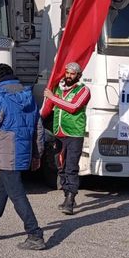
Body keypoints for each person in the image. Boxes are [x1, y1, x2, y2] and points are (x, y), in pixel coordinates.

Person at [0, 63, 46, 250]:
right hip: (22, 151)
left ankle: (35, 234)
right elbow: (38, 128)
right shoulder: (28, 96)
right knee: (2, 192)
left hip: (6, 153)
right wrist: (37, 154)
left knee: (17, 194)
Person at [41, 62, 91, 215]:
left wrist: (52, 98)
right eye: (67, 73)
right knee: (60, 165)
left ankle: (71, 198)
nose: (69, 76)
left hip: (74, 133)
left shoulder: (83, 90)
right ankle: (67, 195)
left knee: (71, 166)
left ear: (78, 75)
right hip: (59, 132)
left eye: (72, 74)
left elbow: (73, 107)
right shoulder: (58, 88)